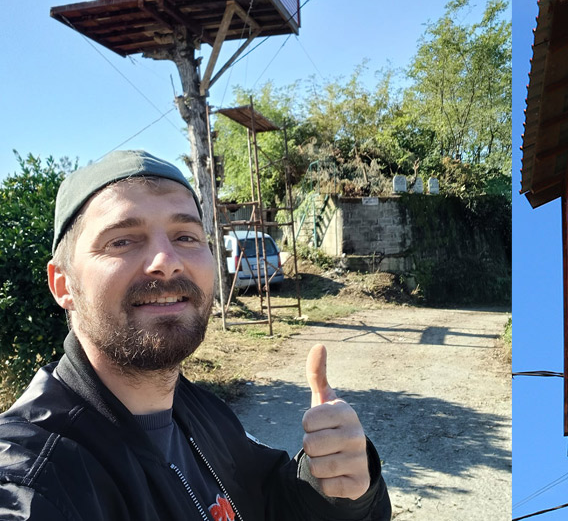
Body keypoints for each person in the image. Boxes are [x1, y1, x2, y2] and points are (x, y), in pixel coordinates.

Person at [0, 150, 390, 519]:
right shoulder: (33, 478)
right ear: (63, 284)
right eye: (122, 240)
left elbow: (270, 502)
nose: (166, 262)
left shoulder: (202, 410)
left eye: (186, 236)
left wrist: (334, 490)